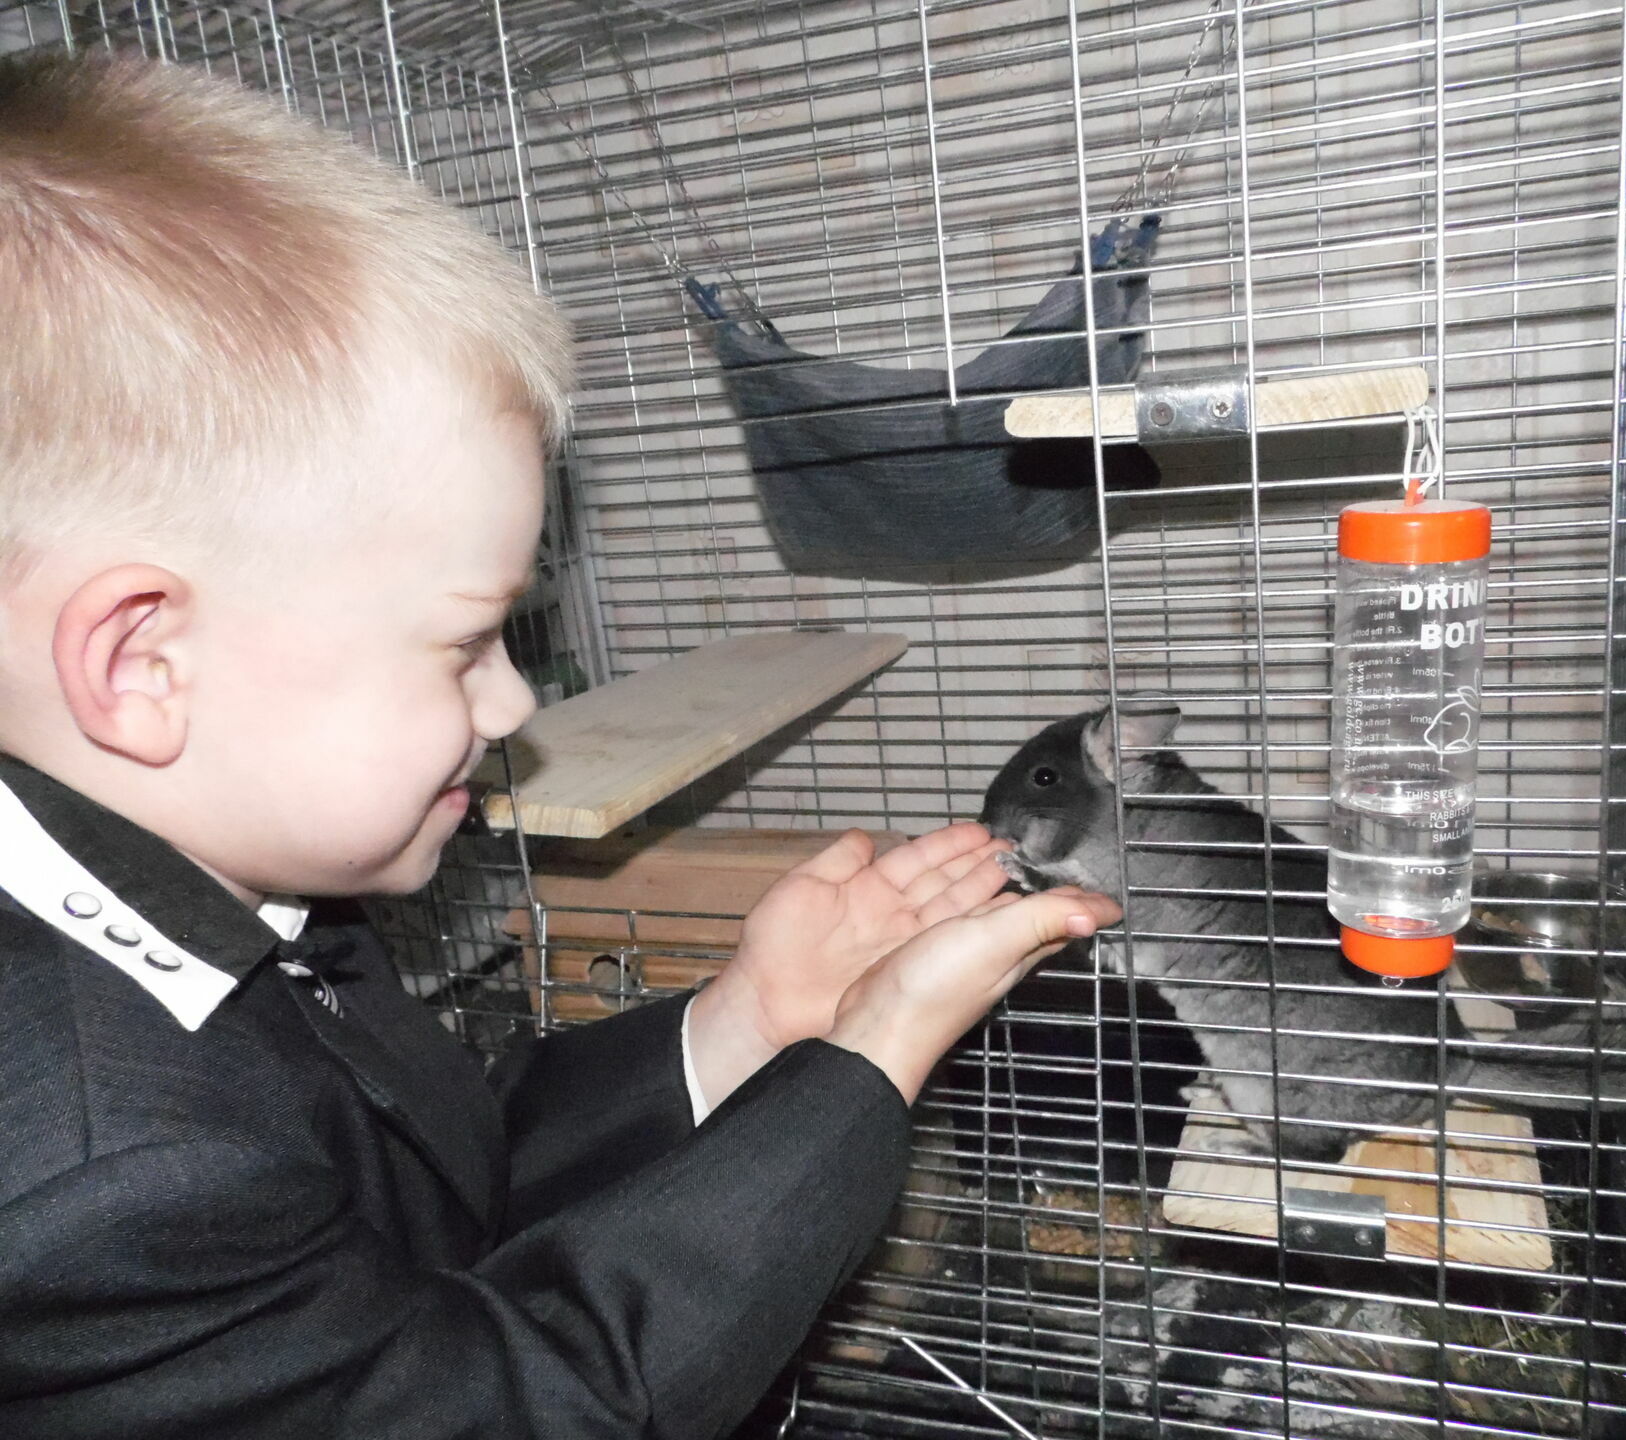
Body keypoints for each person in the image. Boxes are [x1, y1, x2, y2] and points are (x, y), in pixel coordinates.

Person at [0, 51, 1120, 1439]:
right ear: (140, 663)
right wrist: (869, 1064)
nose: (514, 706)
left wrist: (750, 1022)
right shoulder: (95, 1182)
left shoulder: (228, 879)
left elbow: (425, 1179)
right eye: (467, 642)